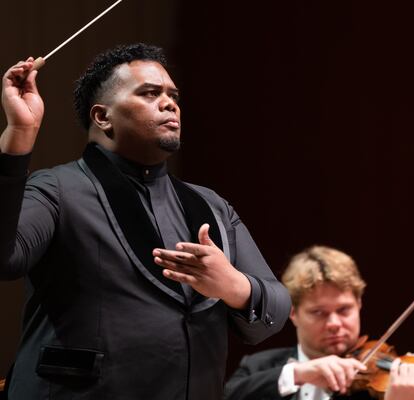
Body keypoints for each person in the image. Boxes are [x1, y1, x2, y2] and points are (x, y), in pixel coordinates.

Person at [0, 43, 291, 399]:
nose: (169, 103)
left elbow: (277, 302)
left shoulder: (209, 203)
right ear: (102, 117)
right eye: (150, 93)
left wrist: (232, 285)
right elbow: (4, 257)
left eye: (173, 95)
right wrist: (19, 135)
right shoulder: (57, 189)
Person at [224, 245, 414, 400]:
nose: (334, 323)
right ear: (292, 312)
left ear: (359, 303)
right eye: (319, 312)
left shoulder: (392, 385)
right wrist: (299, 373)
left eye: (344, 310)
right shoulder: (259, 367)